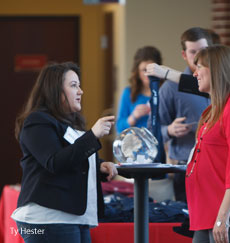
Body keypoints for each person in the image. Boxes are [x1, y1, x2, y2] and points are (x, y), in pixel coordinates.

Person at [12, 62, 118, 243]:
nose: (81, 91)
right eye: (73, 85)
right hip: (48, 219)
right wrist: (93, 135)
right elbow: (55, 162)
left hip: (72, 216)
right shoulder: (36, 121)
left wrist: (99, 166)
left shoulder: (68, 124)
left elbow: (71, 157)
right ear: (55, 91)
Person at [185, 45, 230, 243]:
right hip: (208, 209)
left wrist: (222, 217)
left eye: (199, 67)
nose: (195, 73)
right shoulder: (212, 111)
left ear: (216, 70)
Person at [152, 27, 211, 202]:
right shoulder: (171, 87)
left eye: (203, 51)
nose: (198, 57)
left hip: (218, 168)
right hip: (186, 168)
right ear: (184, 55)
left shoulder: (223, 85)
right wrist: (169, 130)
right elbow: (151, 131)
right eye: (193, 52)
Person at [116, 46, 162, 133]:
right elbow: (119, 128)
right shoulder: (128, 93)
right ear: (137, 71)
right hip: (135, 144)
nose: (148, 74)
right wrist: (133, 116)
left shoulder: (165, 92)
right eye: (144, 70)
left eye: (151, 69)